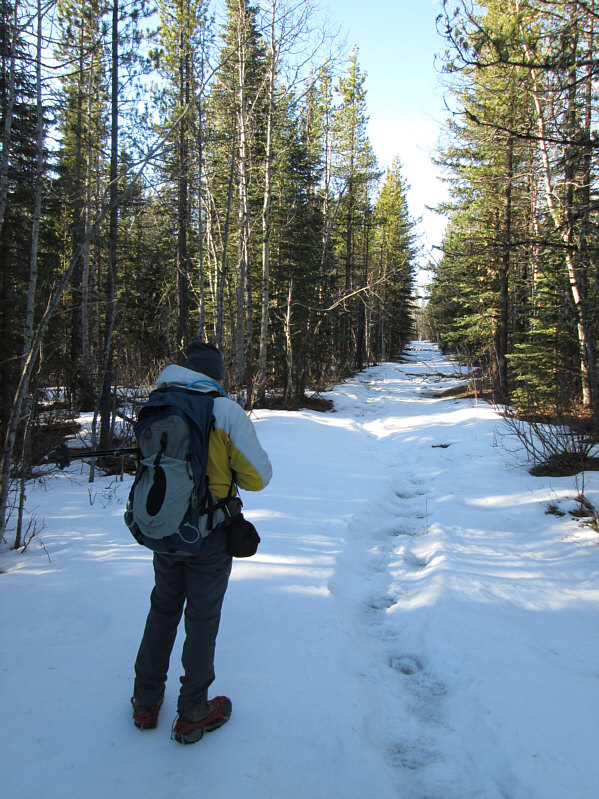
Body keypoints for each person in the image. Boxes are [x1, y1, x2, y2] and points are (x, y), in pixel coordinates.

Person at [130, 341, 272, 744]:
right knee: (202, 620)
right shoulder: (224, 411)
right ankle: (193, 710)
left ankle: (145, 702)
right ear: (219, 375)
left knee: (162, 611)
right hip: (208, 536)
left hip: (162, 529)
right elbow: (258, 479)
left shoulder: (157, 403)